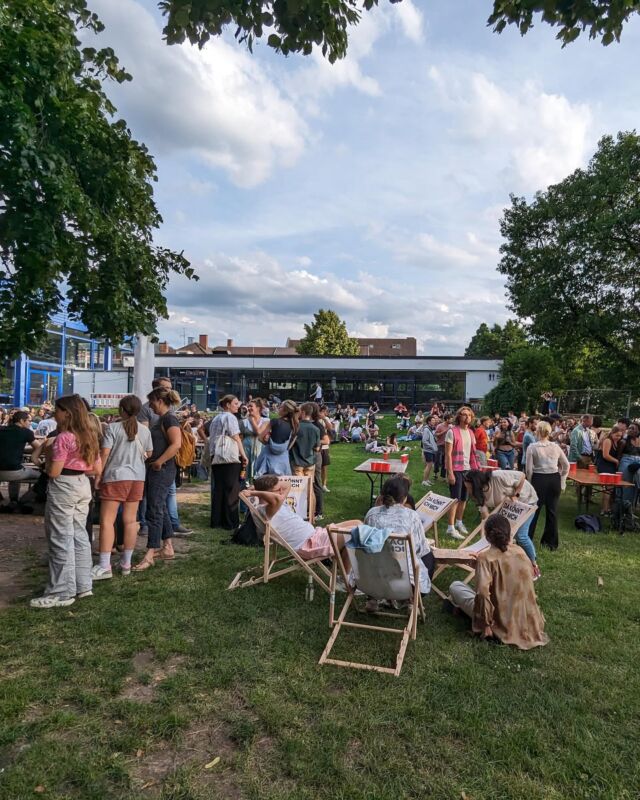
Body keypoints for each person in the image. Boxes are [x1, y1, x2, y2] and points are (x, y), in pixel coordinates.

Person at [30, 395, 102, 609]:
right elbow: (96, 469)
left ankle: (61, 591)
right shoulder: (89, 435)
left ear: (67, 413)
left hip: (64, 486)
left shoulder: (63, 438)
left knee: (61, 537)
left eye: (58, 410)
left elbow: (53, 471)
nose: (55, 413)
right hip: (82, 484)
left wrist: (45, 460)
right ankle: (83, 585)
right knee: (80, 536)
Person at [448, 514, 549, 650]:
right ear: (509, 533)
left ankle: (490, 625)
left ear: (488, 536)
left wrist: (486, 625)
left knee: (456, 586)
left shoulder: (486, 558)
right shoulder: (520, 551)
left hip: (499, 622)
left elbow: (483, 595)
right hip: (526, 620)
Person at [92, 396, 153, 579]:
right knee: (130, 521)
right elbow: (149, 453)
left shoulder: (113, 428)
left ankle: (104, 565)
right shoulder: (144, 431)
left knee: (107, 521)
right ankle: (126, 563)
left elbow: (105, 453)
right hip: (137, 479)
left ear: (122, 410)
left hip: (116, 477)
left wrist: (98, 475)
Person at [246, 475, 357, 571]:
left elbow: (287, 484)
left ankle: (343, 567)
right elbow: (277, 498)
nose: (281, 491)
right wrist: (255, 492)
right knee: (357, 532)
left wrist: (256, 490)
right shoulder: (268, 510)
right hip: (310, 545)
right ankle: (345, 579)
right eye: (278, 490)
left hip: (316, 535)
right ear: (268, 494)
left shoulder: (274, 503)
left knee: (357, 522)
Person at [364, 476, 432, 611]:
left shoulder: (371, 514)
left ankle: (372, 600)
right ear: (405, 497)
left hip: (371, 580)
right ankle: (412, 601)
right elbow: (420, 550)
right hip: (404, 583)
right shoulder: (412, 516)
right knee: (428, 556)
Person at [134, 387, 182, 570]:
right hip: (158, 468)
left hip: (161, 469)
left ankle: (150, 552)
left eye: (151, 401)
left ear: (159, 401)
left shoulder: (169, 418)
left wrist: (159, 462)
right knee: (160, 506)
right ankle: (168, 547)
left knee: (153, 510)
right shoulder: (162, 419)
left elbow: (176, 444)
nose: (150, 405)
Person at [463, 469, 540, 577]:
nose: (468, 490)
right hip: (508, 506)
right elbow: (485, 514)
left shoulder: (497, 476)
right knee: (502, 534)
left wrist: (516, 495)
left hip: (527, 500)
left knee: (521, 536)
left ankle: (534, 565)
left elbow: (522, 476)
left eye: (468, 487)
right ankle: (505, 563)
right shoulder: (478, 494)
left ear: (475, 483)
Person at [525, 421, 570, 550]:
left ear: (537, 431)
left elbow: (529, 470)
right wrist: (562, 480)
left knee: (533, 511)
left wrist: (530, 483)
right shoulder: (555, 447)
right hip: (554, 479)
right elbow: (566, 465)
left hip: (539, 479)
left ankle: (526, 539)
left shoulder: (532, 447)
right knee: (552, 511)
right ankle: (551, 543)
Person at [208, 394, 248, 530]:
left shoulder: (215, 418)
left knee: (219, 489)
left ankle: (217, 520)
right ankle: (231, 522)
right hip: (229, 457)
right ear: (227, 404)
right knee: (232, 490)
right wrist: (243, 455)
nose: (238, 406)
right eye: (235, 403)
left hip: (216, 456)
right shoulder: (230, 417)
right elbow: (236, 436)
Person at [444, 406, 478, 540]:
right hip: (456, 469)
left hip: (467, 469)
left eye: (469, 415)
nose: (467, 417)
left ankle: (459, 522)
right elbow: (447, 454)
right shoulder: (452, 432)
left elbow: (473, 453)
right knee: (455, 499)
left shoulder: (470, 432)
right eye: (464, 414)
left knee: (464, 498)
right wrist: (450, 473)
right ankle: (450, 527)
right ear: (459, 417)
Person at [0, 410, 44, 504]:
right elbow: (39, 448)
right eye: (28, 420)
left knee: (17, 469)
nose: (30, 423)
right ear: (21, 421)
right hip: (14, 472)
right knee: (42, 476)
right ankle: (24, 499)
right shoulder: (26, 432)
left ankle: (13, 501)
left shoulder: (1, 429)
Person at [290, 402, 321, 520]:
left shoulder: (296, 427)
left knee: (297, 490)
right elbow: (317, 448)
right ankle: (312, 515)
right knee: (310, 489)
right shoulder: (316, 429)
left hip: (297, 462)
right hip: (310, 462)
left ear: (303, 412)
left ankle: (298, 516)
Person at [255, 400, 299, 476]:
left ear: (285, 411)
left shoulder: (275, 421)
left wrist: (268, 442)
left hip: (267, 459)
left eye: (281, 406)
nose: (278, 408)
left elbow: (260, 437)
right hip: (283, 461)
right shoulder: (295, 426)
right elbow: (289, 446)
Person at [594, 425, 624, 514]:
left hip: (609, 466)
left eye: (620, 436)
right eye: (617, 435)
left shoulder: (615, 442)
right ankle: (604, 509)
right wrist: (616, 461)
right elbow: (605, 455)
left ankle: (606, 508)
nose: (618, 437)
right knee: (608, 488)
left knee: (608, 489)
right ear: (612, 433)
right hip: (604, 465)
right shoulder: (608, 440)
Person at [239, 398, 267, 484]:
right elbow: (239, 437)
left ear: (258, 408)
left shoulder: (266, 421)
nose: (248, 408)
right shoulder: (243, 422)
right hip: (246, 450)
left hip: (261, 450)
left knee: (259, 472)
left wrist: (252, 421)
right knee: (245, 472)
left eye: (251, 406)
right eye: (248, 406)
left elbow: (259, 432)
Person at [421, 415, 438, 487]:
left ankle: (427, 479)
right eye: (433, 421)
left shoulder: (430, 429)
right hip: (428, 450)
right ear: (429, 422)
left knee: (430, 466)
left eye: (434, 421)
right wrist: (432, 447)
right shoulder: (426, 429)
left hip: (431, 450)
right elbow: (424, 441)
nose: (434, 422)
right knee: (429, 465)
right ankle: (424, 481)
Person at [434, 413, 452, 479]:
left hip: (447, 446)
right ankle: (435, 473)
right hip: (440, 445)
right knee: (438, 460)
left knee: (445, 461)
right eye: (450, 419)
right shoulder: (439, 426)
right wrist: (445, 431)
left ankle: (443, 476)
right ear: (447, 419)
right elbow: (436, 435)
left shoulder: (451, 426)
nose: (451, 420)